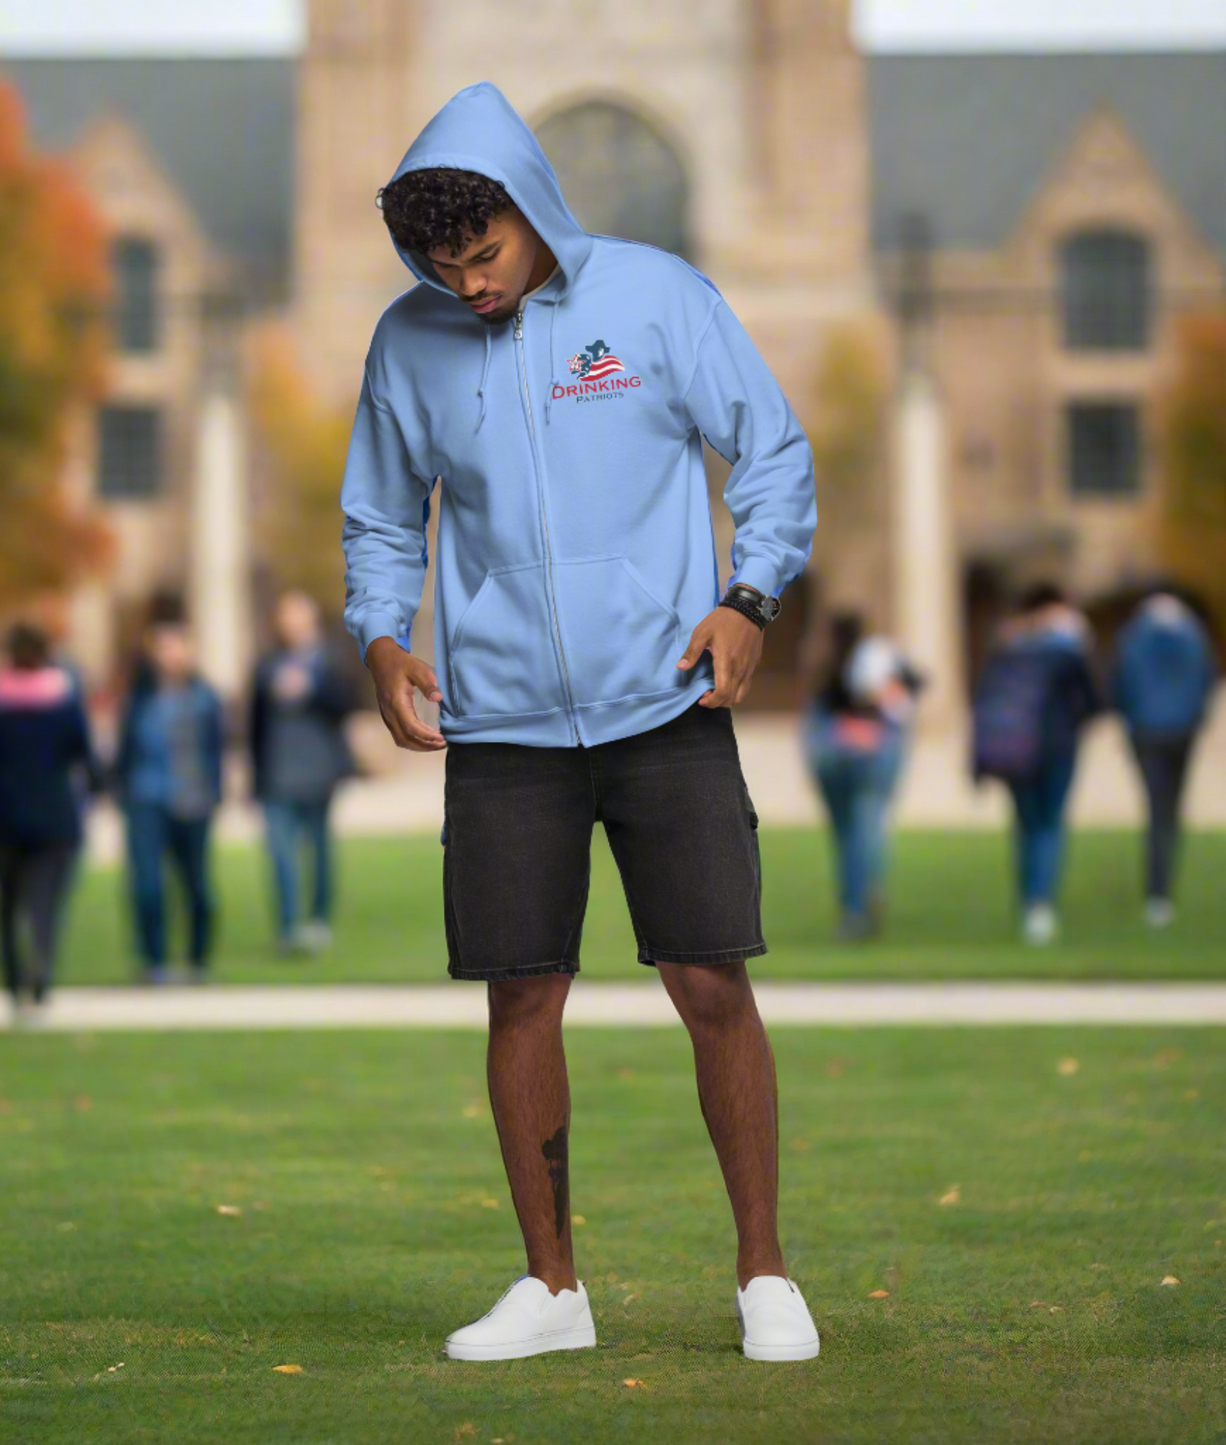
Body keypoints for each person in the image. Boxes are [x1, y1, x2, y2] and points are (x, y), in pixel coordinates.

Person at [343, 84, 819, 1362]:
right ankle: (551, 1289)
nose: (469, 284)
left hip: (663, 697)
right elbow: (383, 516)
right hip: (499, 727)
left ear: (532, 211)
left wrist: (748, 596)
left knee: (708, 978)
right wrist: (384, 634)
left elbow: (769, 451)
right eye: (441, 265)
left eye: (484, 254)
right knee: (518, 998)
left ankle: (764, 1274)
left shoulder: (658, 298)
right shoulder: (408, 342)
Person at [0, 623, 101, 1018]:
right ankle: (40, 970)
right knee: (46, 903)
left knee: (8, 904)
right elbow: (84, 754)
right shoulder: (63, 700)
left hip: (9, 817)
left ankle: (13, 981)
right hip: (56, 815)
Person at [972, 584, 1101, 945]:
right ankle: (1040, 906)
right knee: (1049, 825)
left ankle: (1028, 897)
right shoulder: (1065, 649)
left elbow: (985, 701)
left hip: (1014, 749)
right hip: (1057, 748)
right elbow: (1093, 700)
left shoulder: (1008, 646)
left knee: (1025, 825)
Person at [115, 613, 224, 984]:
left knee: (196, 884)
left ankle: (197, 958)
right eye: (161, 648)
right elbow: (125, 749)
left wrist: (216, 793)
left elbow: (216, 750)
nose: (169, 655)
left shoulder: (204, 698)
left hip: (193, 800)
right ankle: (154, 960)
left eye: (175, 646)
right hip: (147, 797)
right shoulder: (140, 698)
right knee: (146, 883)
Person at [248, 589, 357, 955]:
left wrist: (310, 689)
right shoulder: (267, 666)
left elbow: (346, 704)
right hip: (277, 775)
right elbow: (255, 726)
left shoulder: (329, 661)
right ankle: (288, 926)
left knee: (319, 850)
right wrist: (254, 776)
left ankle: (318, 919)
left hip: (319, 772)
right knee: (280, 853)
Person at [804, 614, 923, 939]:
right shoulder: (879, 654)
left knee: (845, 834)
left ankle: (852, 907)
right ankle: (864, 896)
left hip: (833, 749)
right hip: (871, 749)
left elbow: (816, 721)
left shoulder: (827, 664)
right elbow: (912, 687)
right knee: (867, 830)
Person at [1111, 586, 1217, 928]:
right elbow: (1206, 680)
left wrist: (1128, 720)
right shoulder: (1193, 635)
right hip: (1181, 732)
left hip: (1146, 732)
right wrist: (1198, 717)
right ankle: (1162, 890)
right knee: (1170, 809)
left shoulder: (1134, 637)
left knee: (1156, 809)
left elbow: (1121, 683)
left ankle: (1157, 894)